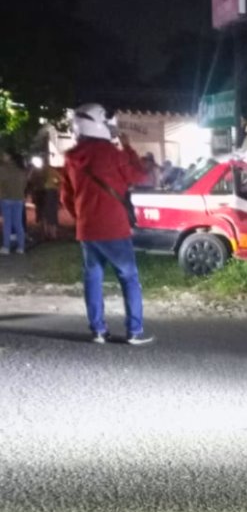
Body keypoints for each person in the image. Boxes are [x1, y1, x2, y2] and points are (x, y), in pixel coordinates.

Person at [60, 103, 155, 345]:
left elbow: (66, 198)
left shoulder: (71, 157)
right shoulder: (113, 154)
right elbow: (140, 175)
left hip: (87, 230)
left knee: (93, 278)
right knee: (129, 277)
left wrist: (82, 216)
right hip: (114, 227)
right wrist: (127, 146)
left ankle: (98, 331)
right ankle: (134, 331)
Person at [0, 149, 28, 254]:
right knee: (18, 223)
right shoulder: (21, 170)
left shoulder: (3, 169)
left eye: (4, 155)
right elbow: (24, 185)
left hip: (6, 198)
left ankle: (6, 247)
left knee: (7, 223)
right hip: (19, 199)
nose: (3, 157)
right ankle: (21, 247)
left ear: (9, 157)